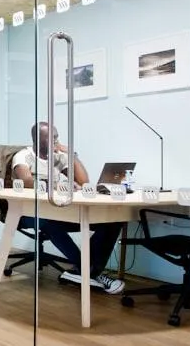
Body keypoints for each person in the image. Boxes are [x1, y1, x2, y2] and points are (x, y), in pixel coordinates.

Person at [11, 122, 125, 294]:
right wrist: (56, 185)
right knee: (50, 223)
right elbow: (26, 181)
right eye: (51, 137)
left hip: (58, 209)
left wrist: (72, 156)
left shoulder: (58, 157)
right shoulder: (24, 156)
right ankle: (89, 272)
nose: (56, 141)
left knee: (111, 222)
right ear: (37, 139)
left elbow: (83, 182)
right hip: (29, 212)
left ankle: (86, 272)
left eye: (57, 137)